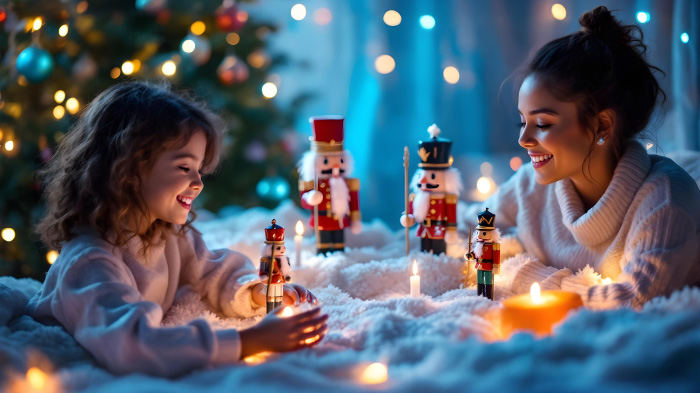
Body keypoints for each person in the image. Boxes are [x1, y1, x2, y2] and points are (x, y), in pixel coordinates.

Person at [25, 81, 328, 377]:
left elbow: (212, 272)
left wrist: (260, 292)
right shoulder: (90, 261)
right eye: (185, 168)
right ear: (128, 171)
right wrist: (249, 342)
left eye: (200, 170)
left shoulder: (166, 232)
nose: (197, 183)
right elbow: (130, 345)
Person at [461, 6, 700, 309]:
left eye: (543, 124)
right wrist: (511, 249)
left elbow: (634, 301)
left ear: (602, 125)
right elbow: (467, 230)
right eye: (523, 122)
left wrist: (520, 272)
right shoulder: (529, 187)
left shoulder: (665, 201)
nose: (523, 140)